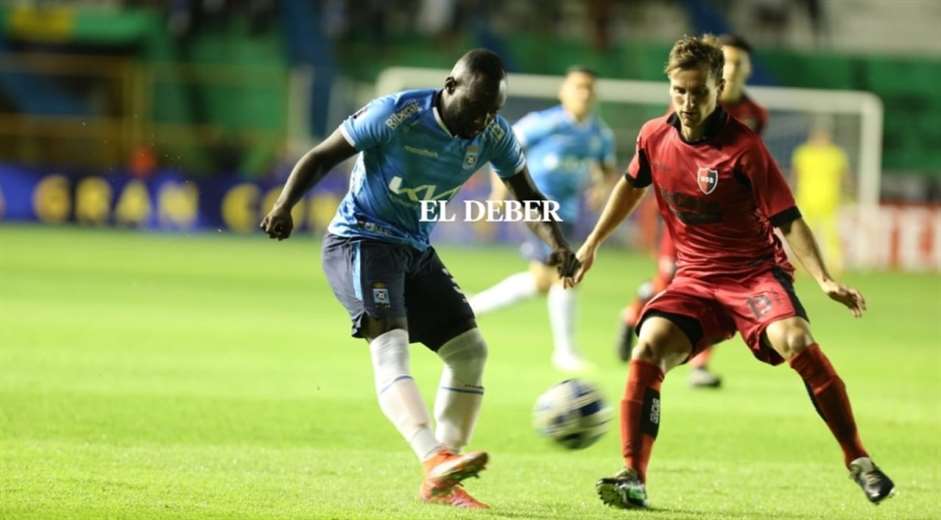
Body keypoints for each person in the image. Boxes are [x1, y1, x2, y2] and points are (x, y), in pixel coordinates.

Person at [567, 34, 894, 509]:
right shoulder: (653, 136)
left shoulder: (744, 147)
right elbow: (629, 185)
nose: (688, 101)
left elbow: (788, 217)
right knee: (650, 345)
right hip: (695, 279)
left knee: (797, 341)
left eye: (699, 91)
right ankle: (633, 476)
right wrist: (592, 243)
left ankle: (859, 460)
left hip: (753, 275)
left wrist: (823, 279)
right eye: (679, 90)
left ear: (720, 88)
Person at [260, 49, 578, 509]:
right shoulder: (397, 113)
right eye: (475, 108)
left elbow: (527, 193)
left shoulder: (493, 134)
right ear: (449, 87)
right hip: (361, 240)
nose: (481, 121)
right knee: (390, 347)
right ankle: (432, 460)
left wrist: (558, 244)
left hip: (414, 248)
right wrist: (283, 205)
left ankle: (443, 473)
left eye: (492, 111)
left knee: (470, 352)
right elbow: (322, 154)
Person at [617, 34, 770, 390]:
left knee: (714, 287)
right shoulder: (688, 103)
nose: (732, 70)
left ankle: (700, 365)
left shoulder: (754, 116)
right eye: (727, 61)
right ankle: (631, 314)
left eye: (738, 64)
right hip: (684, 216)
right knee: (666, 281)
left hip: (724, 225)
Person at [469, 66, 617, 372]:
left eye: (589, 88)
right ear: (563, 92)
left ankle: (470, 308)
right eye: (577, 87)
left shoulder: (600, 134)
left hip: (569, 212)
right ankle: (565, 352)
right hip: (537, 206)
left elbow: (606, 168)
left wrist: (601, 187)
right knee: (566, 273)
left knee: (540, 281)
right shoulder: (543, 124)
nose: (584, 93)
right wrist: (498, 196)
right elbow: (503, 149)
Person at [793, 123, 849, 275]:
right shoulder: (803, 153)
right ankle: (803, 263)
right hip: (806, 199)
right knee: (803, 234)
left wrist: (848, 194)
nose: (820, 141)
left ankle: (835, 264)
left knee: (831, 235)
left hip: (829, 200)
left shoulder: (835, 155)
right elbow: (796, 175)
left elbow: (843, 177)